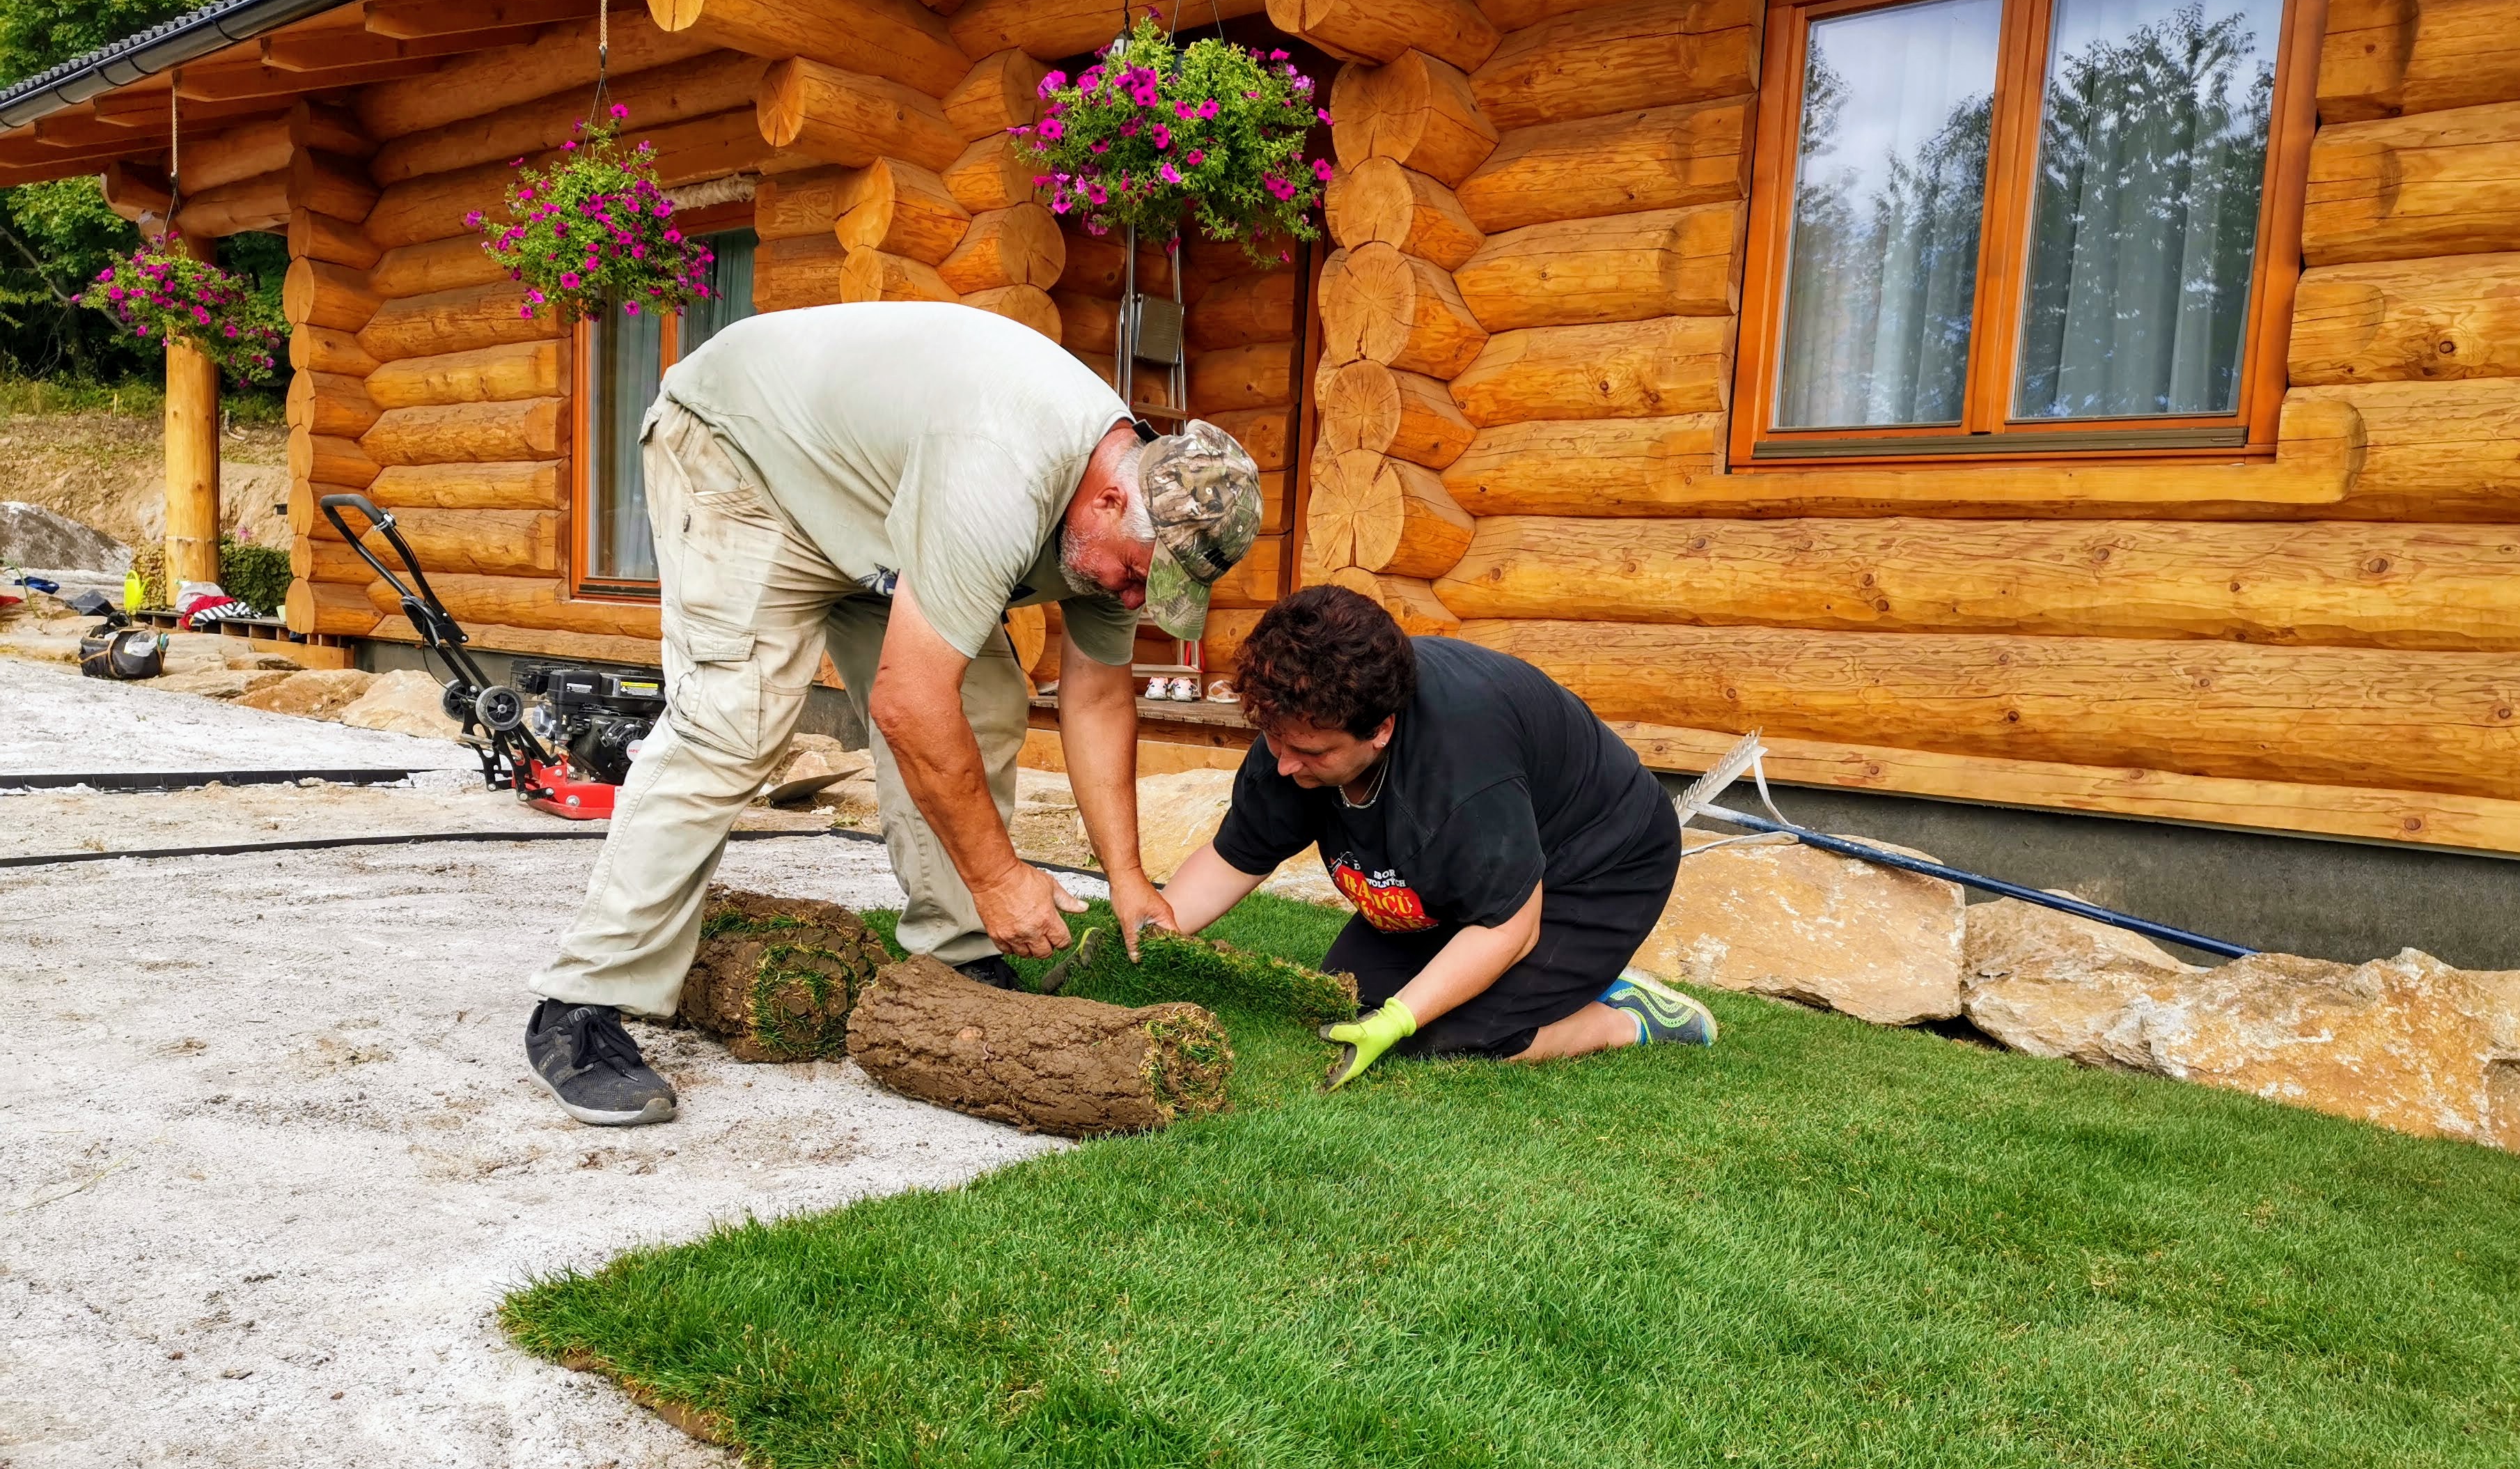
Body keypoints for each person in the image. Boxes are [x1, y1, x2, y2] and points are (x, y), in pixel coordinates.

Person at [524, 302, 1260, 1126]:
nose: (1134, 597)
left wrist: (1128, 878)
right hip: (748, 455)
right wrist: (1003, 878)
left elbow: (1095, 695)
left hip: (880, 506)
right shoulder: (1003, 473)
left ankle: (957, 952)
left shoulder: (1128, 523)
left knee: (982, 700)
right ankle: (580, 1006)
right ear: (1109, 499)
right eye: (1137, 575)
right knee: (736, 723)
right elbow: (908, 704)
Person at [1160, 586, 1716, 1085]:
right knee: (1347, 1001)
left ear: (1381, 730)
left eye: (1311, 753)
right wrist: (1144, 932)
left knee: (1446, 1036)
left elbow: (1508, 929)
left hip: (1598, 861)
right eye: (1274, 740)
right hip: (1485, 855)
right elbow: (1235, 857)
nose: (1283, 766)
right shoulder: (1300, 725)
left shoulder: (1460, 774)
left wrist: (1401, 1020)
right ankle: (1556, 983)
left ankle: (1624, 1015)